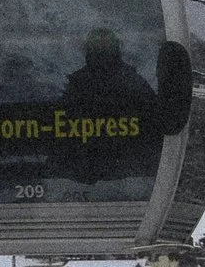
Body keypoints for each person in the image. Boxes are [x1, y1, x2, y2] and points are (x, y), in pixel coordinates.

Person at [60, 27, 157, 183]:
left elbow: (62, 129)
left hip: (94, 171)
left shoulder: (79, 83)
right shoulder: (133, 81)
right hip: (124, 174)